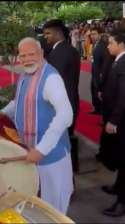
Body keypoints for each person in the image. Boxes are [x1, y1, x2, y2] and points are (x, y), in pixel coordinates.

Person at [2, 37, 74, 214]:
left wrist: (42, 149)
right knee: (36, 207)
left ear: (41, 53)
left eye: (31, 54)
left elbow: (66, 114)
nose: (27, 59)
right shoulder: (25, 75)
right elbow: (18, 102)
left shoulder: (51, 78)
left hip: (51, 157)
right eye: (23, 55)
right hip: (30, 154)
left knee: (54, 208)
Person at [97, 28, 125, 217]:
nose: (108, 46)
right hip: (117, 118)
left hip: (122, 122)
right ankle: (118, 187)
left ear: (121, 44)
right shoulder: (119, 60)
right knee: (119, 156)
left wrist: (113, 121)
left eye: (111, 43)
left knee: (124, 161)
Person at [42, 19, 81, 173]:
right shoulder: (65, 50)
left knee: (61, 149)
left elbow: (54, 82)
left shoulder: (62, 52)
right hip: (68, 104)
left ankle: (66, 185)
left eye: (48, 33)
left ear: (58, 33)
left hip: (62, 107)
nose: (45, 37)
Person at [89, 27, 109, 115]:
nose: (92, 36)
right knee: (93, 89)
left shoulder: (103, 45)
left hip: (99, 72)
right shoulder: (95, 44)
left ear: (100, 35)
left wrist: (102, 73)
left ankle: (102, 112)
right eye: (91, 34)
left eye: (94, 34)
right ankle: (96, 108)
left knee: (99, 91)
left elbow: (105, 60)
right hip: (94, 70)